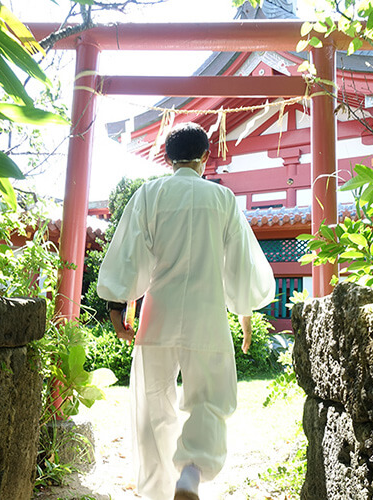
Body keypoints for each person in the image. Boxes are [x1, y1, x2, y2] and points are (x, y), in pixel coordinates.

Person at [97, 122, 275, 500]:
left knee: (154, 406)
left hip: (157, 316)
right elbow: (240, 268)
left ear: (167, 157)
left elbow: (129, 256)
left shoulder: (150, 195)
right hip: (206, 316)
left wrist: (118, 311)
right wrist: (244, 321)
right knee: (210, 399)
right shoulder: (222, 199)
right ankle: (190, 474)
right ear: (206, 157)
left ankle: (158, 492)